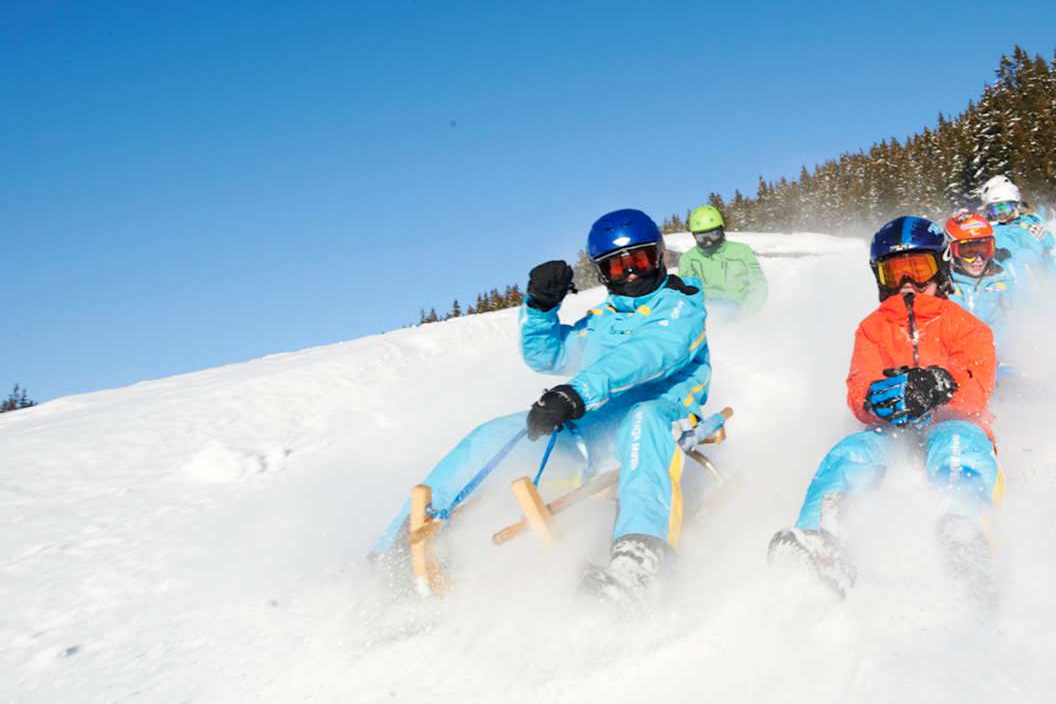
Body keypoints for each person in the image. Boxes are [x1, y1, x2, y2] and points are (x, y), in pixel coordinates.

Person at [374, 208, 711, 605]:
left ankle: (640, 560)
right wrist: (540, 308)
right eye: (618, 267)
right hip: (594, 426)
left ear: (659, 256)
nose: (632, 274)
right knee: (496, 432)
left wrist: (576, 392)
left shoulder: (680, 304)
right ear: (603, 275)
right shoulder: (603, 319)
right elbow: (548, 356)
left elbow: (650, 353)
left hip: (666, 415)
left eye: (639, 260)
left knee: (642, 419)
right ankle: (395, 549)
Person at [768, 216, 1001, 602]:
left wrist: (941, 386)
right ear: (880, 278)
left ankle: (966, 526)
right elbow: (858, 385)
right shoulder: (872, 329)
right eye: (895, 273)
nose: (908, 284)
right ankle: (819, 539)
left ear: (941, 267)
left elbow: (978, 386)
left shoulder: (966, 325)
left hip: (954, 423)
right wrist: (873, 401)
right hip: (894, 430)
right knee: (847, 453)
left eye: (918, 269)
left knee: (960, 446)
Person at [943, 210, 1021, 355]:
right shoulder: (943, 284)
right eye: (968, 252)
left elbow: (1022, 319)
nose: (978, 259)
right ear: (951, 251)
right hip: (956, 359)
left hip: (998, 357)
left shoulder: (1002, 280)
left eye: (985, 250)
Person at [674, 204, 768, 315]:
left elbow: (758, 283)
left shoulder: (742, 251)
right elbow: (686, 290)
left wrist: (747, 313)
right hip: (708, 312)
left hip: (740, 309)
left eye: (714, 234)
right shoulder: (689, 259)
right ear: (694, 236)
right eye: (702, 237)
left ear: (721, 230)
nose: (708, 241)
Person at [978, 175, 1056, 284]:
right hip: (1009, 274)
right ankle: (1022, 299)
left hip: (1038, 270)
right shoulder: (993, 229)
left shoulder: (1029, 220)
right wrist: (997, 253)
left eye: (1005, 208)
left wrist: (1044, 236)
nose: (1001, 214)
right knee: (1012, 266)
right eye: (995, 210)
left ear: (1015, 205)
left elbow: (1050, 244)